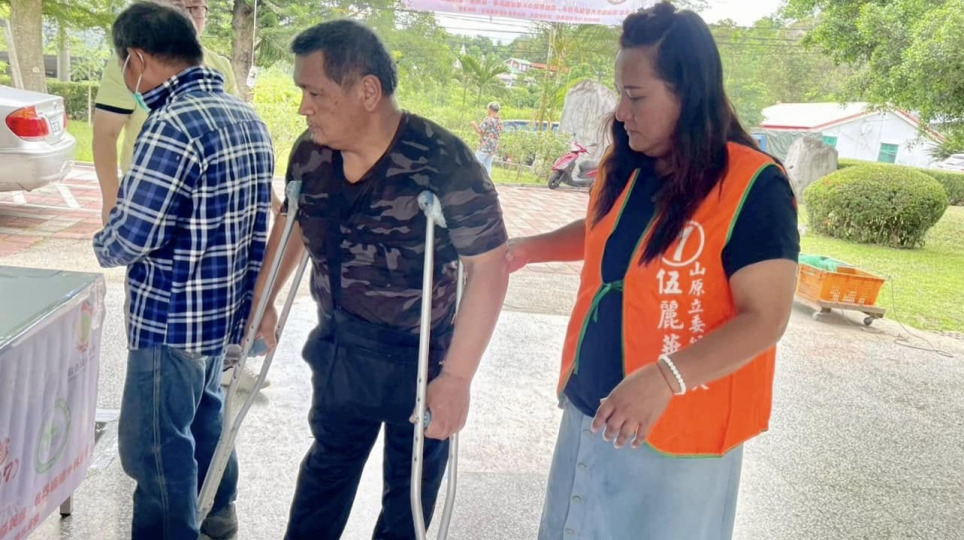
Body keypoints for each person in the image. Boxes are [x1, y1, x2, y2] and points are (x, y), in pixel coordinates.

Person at [506, 3, 800, 539]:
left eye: (636, 96)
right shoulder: (629, 164)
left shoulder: (753, 186)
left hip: (678, 437)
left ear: (688, 92)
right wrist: (526, 250)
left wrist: (667, 377)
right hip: (592, 409)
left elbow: (766, 318)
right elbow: (602, 234)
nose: (621, 112)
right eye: (621, 94)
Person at [246, 20, 509, 540]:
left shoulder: (445, 163)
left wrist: (457, 379)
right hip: (342, 345)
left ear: (367, 91)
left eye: (315, 93)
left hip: (422, 357)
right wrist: (264, 300)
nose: (303, 108)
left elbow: (489, 267)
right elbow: (294, 217)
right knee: (326, 473)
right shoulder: (311, 154)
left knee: (408, 500)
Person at [91, 3, 274, 538]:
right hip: (220, 313)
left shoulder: (171, 125)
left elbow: (129, 237)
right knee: (205, 415)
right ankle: (218, 511)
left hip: (170, 320)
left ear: (136, 59)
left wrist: (102, 240)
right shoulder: (246, 117)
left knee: (154, 446)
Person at [471, 101, 502, 175]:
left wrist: (474, 124)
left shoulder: (488, 120)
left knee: (477, 163)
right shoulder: (499, 121)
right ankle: (487, 179)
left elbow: (480, 131)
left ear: (490, 109)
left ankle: (475, 179)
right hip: (493, 146)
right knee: (488, 164)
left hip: (485, 145)